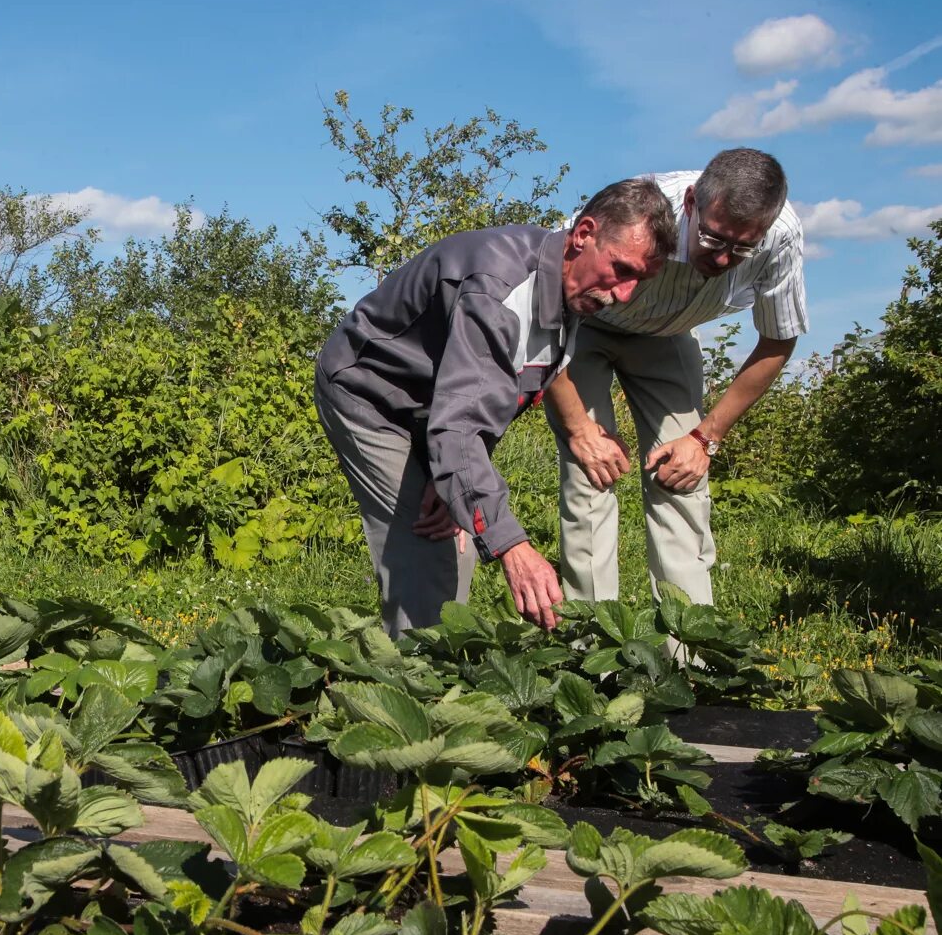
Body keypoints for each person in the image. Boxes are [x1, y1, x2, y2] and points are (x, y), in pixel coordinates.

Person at [315, 179, 677, 637]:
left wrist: (449, 476)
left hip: (433, 407)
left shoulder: (569, 292)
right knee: (431, 553)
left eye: (638, 281)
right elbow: (461, 424)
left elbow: (496, 396)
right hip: (370, 392)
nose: (624, 294)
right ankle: (406, 691)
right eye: (621, 270)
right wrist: (515, 550)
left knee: (459, 540)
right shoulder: (501, 290)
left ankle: (429, 672)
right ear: (584, 234)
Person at [544, 149, 805, 607]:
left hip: (667, 336)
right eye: (714, 239)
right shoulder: (632, 213)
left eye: (743, 247)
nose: (725, 260)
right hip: (581, 324)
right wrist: (582, 431)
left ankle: (690, 655)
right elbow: (539, 314)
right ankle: (592, 648)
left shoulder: (781, 236)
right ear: (690, 203)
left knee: (681, 475)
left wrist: (705, 438)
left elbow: (777, 341)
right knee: (593, 471)